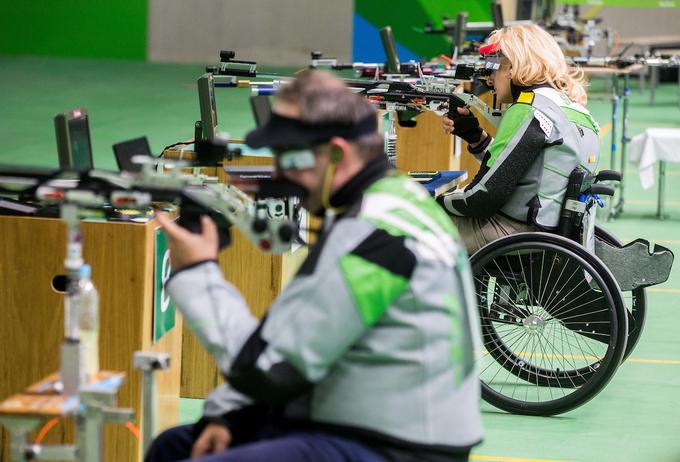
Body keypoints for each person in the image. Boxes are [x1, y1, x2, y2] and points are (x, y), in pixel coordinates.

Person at [146, 70, 482, 462]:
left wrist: (196, 273)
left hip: (397, 446)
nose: (282, 174)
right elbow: (297, 335)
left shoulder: (371, 233)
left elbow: (266, 367)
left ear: (336, 153)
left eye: (292, 158)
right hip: (373, 418)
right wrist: (229, 414)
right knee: (175, 446)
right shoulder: (393, 198)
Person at [439, 24, 600, 254]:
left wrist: (438, 200)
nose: (489, 79)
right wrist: (475, 136)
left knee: (414, 226)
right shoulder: (570, 108)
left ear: (512, 67)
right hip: (548, 231)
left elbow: (485, 197)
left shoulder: (529, 109)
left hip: (514, 232)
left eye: (493, 67)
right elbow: (525, 169)